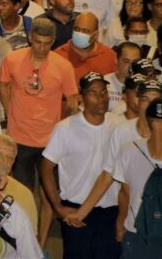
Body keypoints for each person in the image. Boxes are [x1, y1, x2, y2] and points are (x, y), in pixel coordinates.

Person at [77, 98, 162, 258]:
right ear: (156, 124)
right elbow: (125, 192)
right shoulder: (129, 152)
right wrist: (120, 223)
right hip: (137, 238)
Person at [40, 72, 122, 258]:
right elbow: (45, 169)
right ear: (82, 97)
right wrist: (58, 207)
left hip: (111, 211)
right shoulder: (65, 128)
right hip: (76, 211)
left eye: (103, 92)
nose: (101, 98)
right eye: (93, 93)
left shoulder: (119, 125)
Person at [0, 17, 79, 191]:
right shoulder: (12, 59)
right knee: (22, 191)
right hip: (19, 137)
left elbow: (72, 101)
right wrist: (8, 110)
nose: (42, 48)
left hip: (50, 140)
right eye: (38, 42)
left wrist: (68, 132)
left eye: (47, 44)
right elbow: (3, 84)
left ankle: (46, 220)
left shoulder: (63, 66)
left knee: (51, 191)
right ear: (30, 37)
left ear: (53, 41)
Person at [54, 11, 117, 79]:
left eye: (85, 31)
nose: (79, 33)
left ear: (95, 35)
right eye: (77, 29)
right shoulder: (58, 55)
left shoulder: (109, 56)